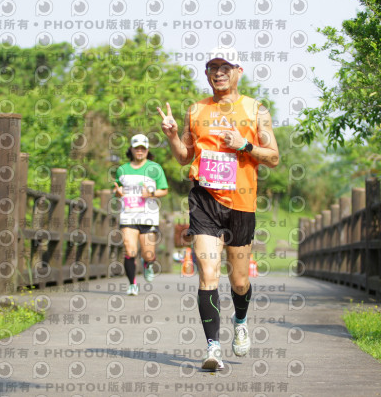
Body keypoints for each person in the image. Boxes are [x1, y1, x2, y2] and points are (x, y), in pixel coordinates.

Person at [157, 47, 280, 370]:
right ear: (207, 73)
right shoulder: (196, 110)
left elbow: (274, 157)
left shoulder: (256, 110)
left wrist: (245, 145)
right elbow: (184, 156)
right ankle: (213, 348)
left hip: (241, 202)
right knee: (208, 273)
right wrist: (172, 136)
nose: (219, 72)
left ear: (238, 71)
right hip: (204, 200)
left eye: (225, 66)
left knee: (239, 281)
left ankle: (240, 320)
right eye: (213, 66)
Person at [114, 134, 169, 296]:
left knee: (148, 253)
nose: (139, 151)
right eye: (136, 148)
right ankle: (132, 284)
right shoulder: (122, 169)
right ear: (131, 149)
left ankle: (148, 263)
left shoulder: (155, 168)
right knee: (130, 250)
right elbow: (118, 190)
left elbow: (164, 190)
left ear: (147, 150)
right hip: (128, 215)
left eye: (142, 148)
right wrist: (117, 193)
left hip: (148, 216)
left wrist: (150, 194)